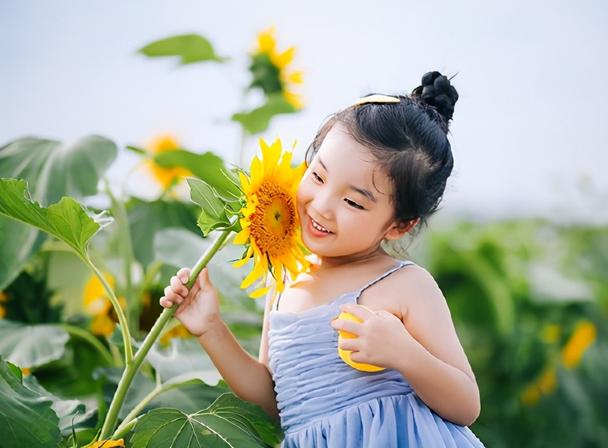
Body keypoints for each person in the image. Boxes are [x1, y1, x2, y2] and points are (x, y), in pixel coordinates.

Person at [159, 71, 485, 447]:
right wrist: (211, 328)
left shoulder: (404, 285)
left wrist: (405, 353)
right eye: (317, 176)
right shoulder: (285, 280)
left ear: (399, 225)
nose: (322, 206)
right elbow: (274, 404)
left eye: (353, 201)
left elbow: (466, 405)